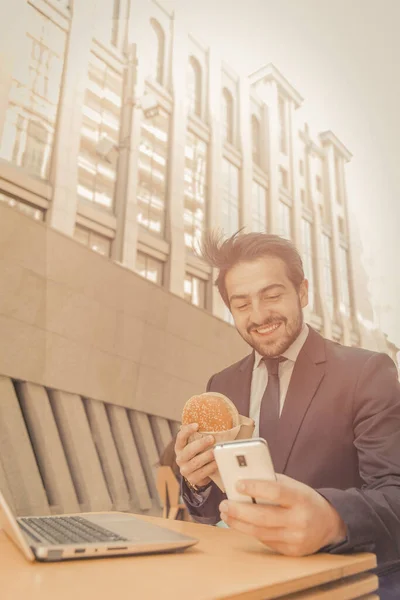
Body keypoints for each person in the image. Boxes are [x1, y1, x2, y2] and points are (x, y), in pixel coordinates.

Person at [174, 230, 400, 598]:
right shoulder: (222, 384)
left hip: (349, 580)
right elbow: (221, 506)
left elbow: (395, 493)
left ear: (303, 292)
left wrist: (332, 520)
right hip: (243, 576)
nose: (259, 315)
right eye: (242, 303)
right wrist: (197, 482)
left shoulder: (367, 372)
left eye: (272, 295)